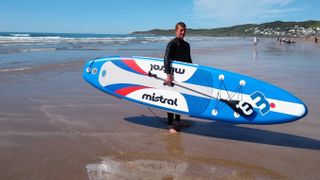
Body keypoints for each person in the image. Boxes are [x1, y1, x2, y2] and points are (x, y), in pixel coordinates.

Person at [164, 22, 192, 133]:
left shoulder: (187, 45)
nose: (183, 32)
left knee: (180, 98)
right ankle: (171, 124)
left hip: (183, 76)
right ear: (176, 31)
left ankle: (178, 121)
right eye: (181, 30)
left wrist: (193, 74)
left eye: (184, 30)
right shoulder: (172, 44)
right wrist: (168, 74)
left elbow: (189, 61)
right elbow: (166, 59)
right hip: (172, 75)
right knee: (171, 99)